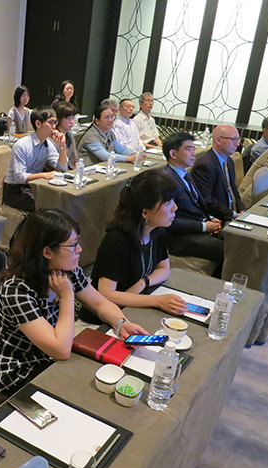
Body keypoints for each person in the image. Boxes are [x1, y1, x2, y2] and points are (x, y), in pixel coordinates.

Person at [0, 208, 148, 396]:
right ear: (47, 252)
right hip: (11, 368)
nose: (79, 250)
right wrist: (67, 295)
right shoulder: (16, 290)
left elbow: (100, 304)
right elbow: (61, 350)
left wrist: (121, 323)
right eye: (73, 245)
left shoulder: (67, 270)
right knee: (85, 391)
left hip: (43, 356)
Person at [80, 170, 186, 324]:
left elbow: (164, 269)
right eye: (168, 202)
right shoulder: (116, 240)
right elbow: (107, 294)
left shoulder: (156, 230)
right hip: (106, 318)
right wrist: (157, 301)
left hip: (135, 305)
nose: (174, 207)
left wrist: (143, 282)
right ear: (145, 212)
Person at [162, 132, 224, 268]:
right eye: (188, 149)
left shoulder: (186, 174)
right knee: (225, 249)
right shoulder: (166, 180)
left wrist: (209, 219)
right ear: (173, 154)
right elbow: (169, 221)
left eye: (194, 148)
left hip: (195, 227)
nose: (194, 153)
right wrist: (203, 226)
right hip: (178, 238)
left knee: (234, 238)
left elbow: (197, 205)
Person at [3, 106, 68, 212]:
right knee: (44, 208)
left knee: (59, 202)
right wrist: (44, 175)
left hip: (34, 187)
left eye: (55, 122)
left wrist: (62, 146)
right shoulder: (21, 145)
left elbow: (62, 168)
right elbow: (19, 177)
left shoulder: (49, 144)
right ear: (38, 124)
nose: (54, 127)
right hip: (15, 190)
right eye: (51, 122)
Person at [191, 124, 245, 219]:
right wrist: (233, 215)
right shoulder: (204, 165)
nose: (237, 144)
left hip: (233, 213)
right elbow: (207, 201)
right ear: (218, 140)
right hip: (218, 218)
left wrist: (242, 210)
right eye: (233, 140)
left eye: (238, 139)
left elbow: (234, 191)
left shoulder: (229, 161)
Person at [77, 99, 136, 165]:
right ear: (97, 121)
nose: (110, 120)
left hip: (104, 166)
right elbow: (105, 156)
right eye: (106, 117)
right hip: (88, 168)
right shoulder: (91, 136)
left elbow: (121, 149)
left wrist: (133, 154)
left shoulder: (110, 133)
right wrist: (130, 158)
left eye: (112, 117)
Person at [53, 101, 79, 171]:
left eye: (73, 118)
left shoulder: (69, 135)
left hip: (71, 171)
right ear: (58, 119)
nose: (72, 121)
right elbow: (58, 166)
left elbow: (76, 159)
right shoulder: (52, 138)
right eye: (68, 118)